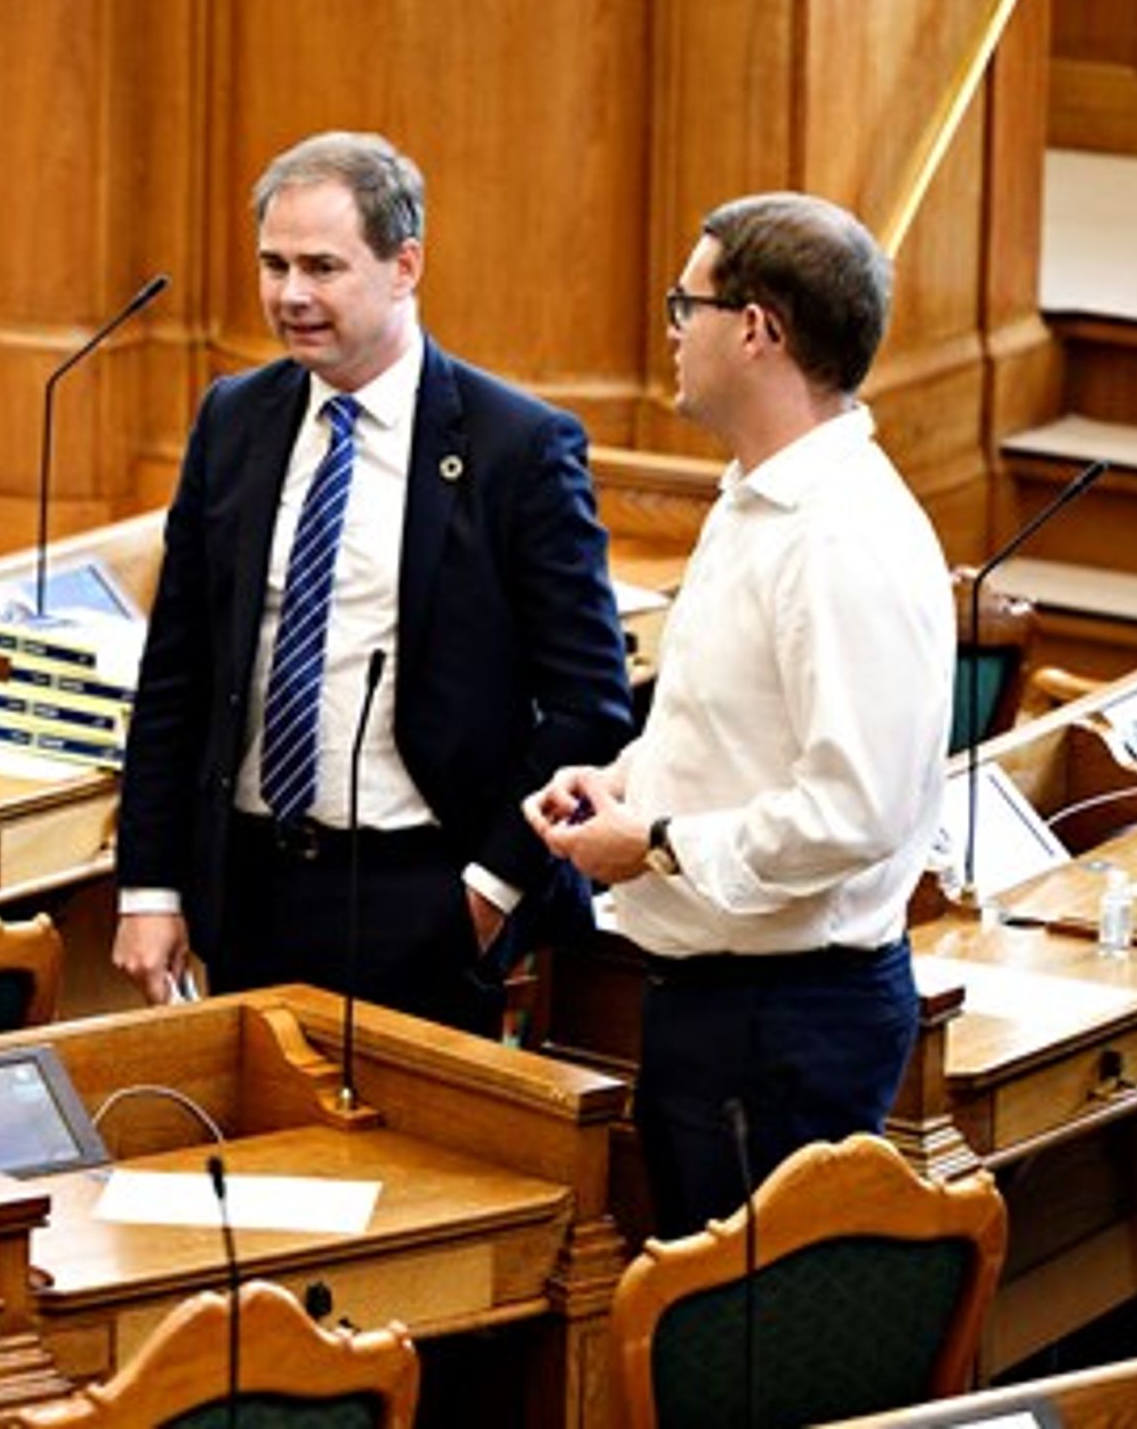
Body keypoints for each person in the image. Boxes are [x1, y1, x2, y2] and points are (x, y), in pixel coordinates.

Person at [112, 130, 632, 1034]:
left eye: (323, 266)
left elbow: (589, 703)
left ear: (405, 266)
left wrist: (489, 890)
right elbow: (178, 671)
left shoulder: (518, 447)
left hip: (422, 893)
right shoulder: (233, 419)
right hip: (249, 885)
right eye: (274, 265)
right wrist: (150, 886)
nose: (291, 294)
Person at [528, 192, 951, 1234]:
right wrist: (621, 782)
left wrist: (654, 843)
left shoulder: (838, 537)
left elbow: (855, 809)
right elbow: (731, 725)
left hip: (788, 1020)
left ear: (756, 328)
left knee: (747, 1324)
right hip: (727, 1003)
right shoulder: (757, 496)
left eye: (688, 304)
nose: (672, 329)